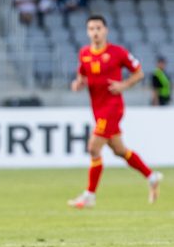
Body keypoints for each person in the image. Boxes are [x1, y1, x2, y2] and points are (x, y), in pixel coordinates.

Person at [68, 15, 163, 209]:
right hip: (97, 108)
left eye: (98, 28)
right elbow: (82, 76)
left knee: (93, 148)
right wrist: (78, 84)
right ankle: (151, 176)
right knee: (120, 151)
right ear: (87, 32)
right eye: (91, 29)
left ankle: (89, 196)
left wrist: (123, 85)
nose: (95, 32)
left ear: (106, 30)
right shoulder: (84, 53)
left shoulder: (117, 52)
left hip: (113, 107)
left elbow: (139, 72)